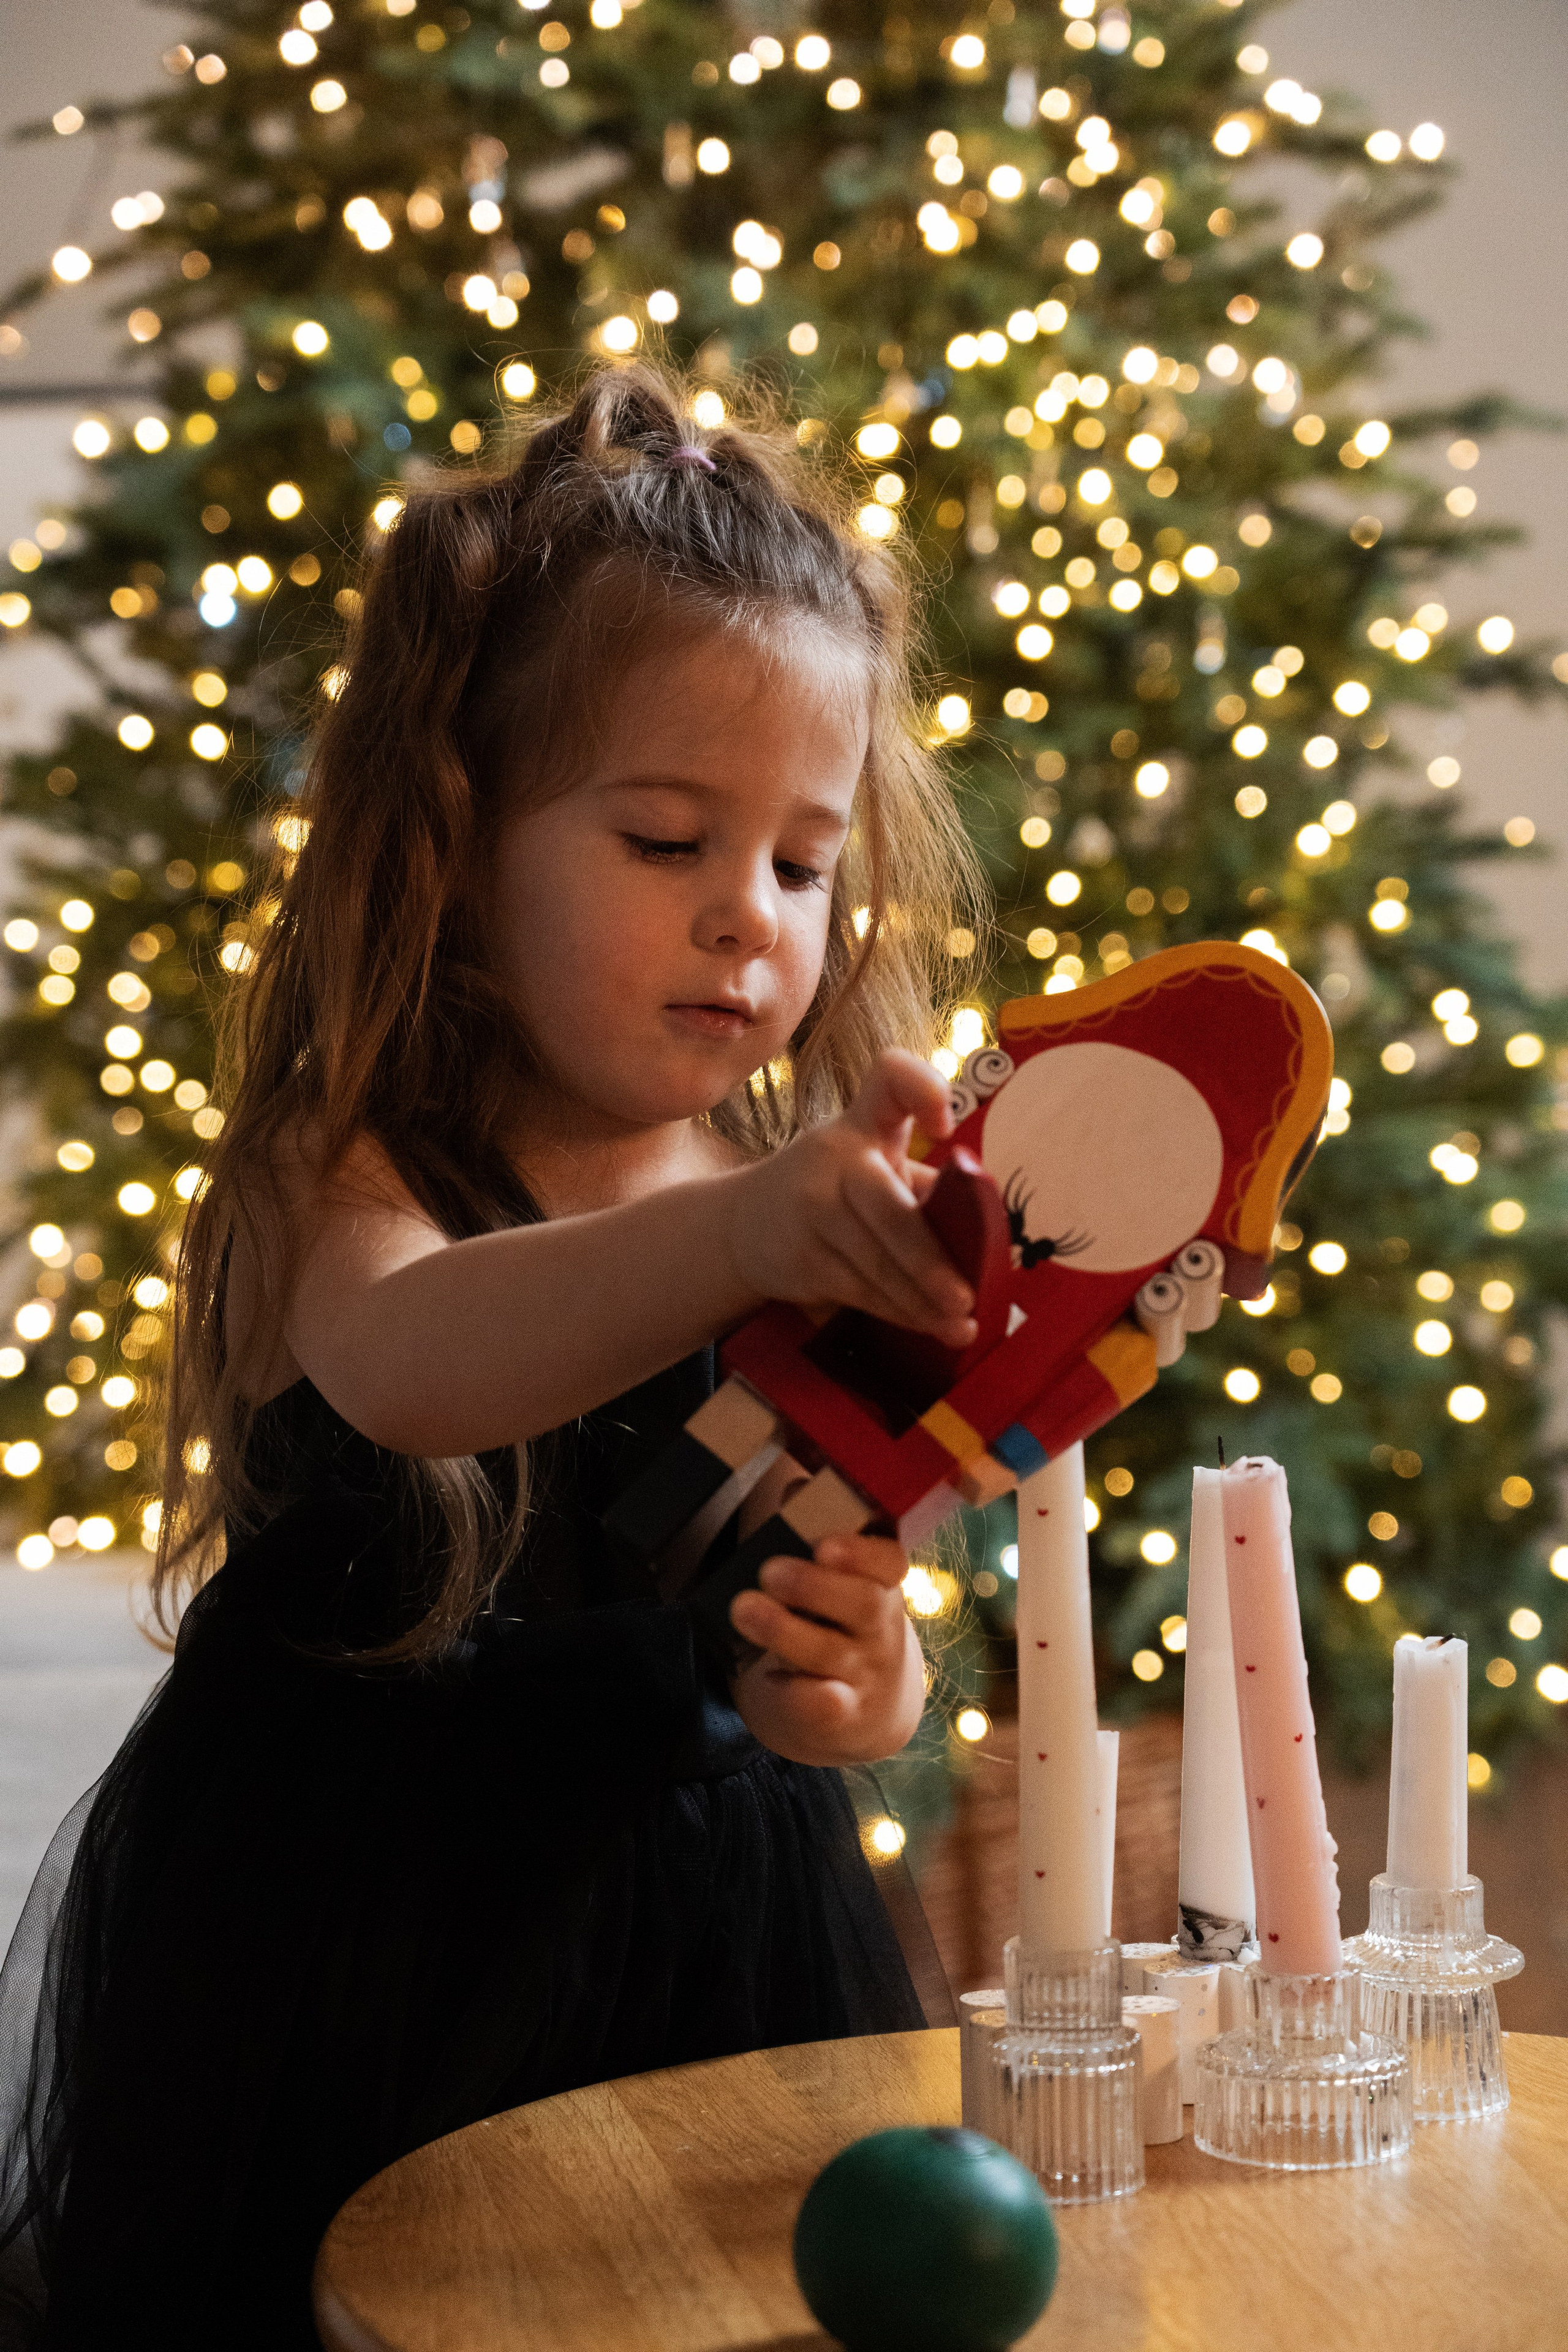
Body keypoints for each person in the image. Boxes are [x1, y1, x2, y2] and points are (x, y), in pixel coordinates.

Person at [0, 362, 986, 2346]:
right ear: (459, 844)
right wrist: (739, 1237)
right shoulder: (350, 1161)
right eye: (667, 841)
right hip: (355, 1955)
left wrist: (853, 1684)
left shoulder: (790, 1211)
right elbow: (406, 1363)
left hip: (707, 1936)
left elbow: (811, 1590)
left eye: (802, 864)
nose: (750, 919)